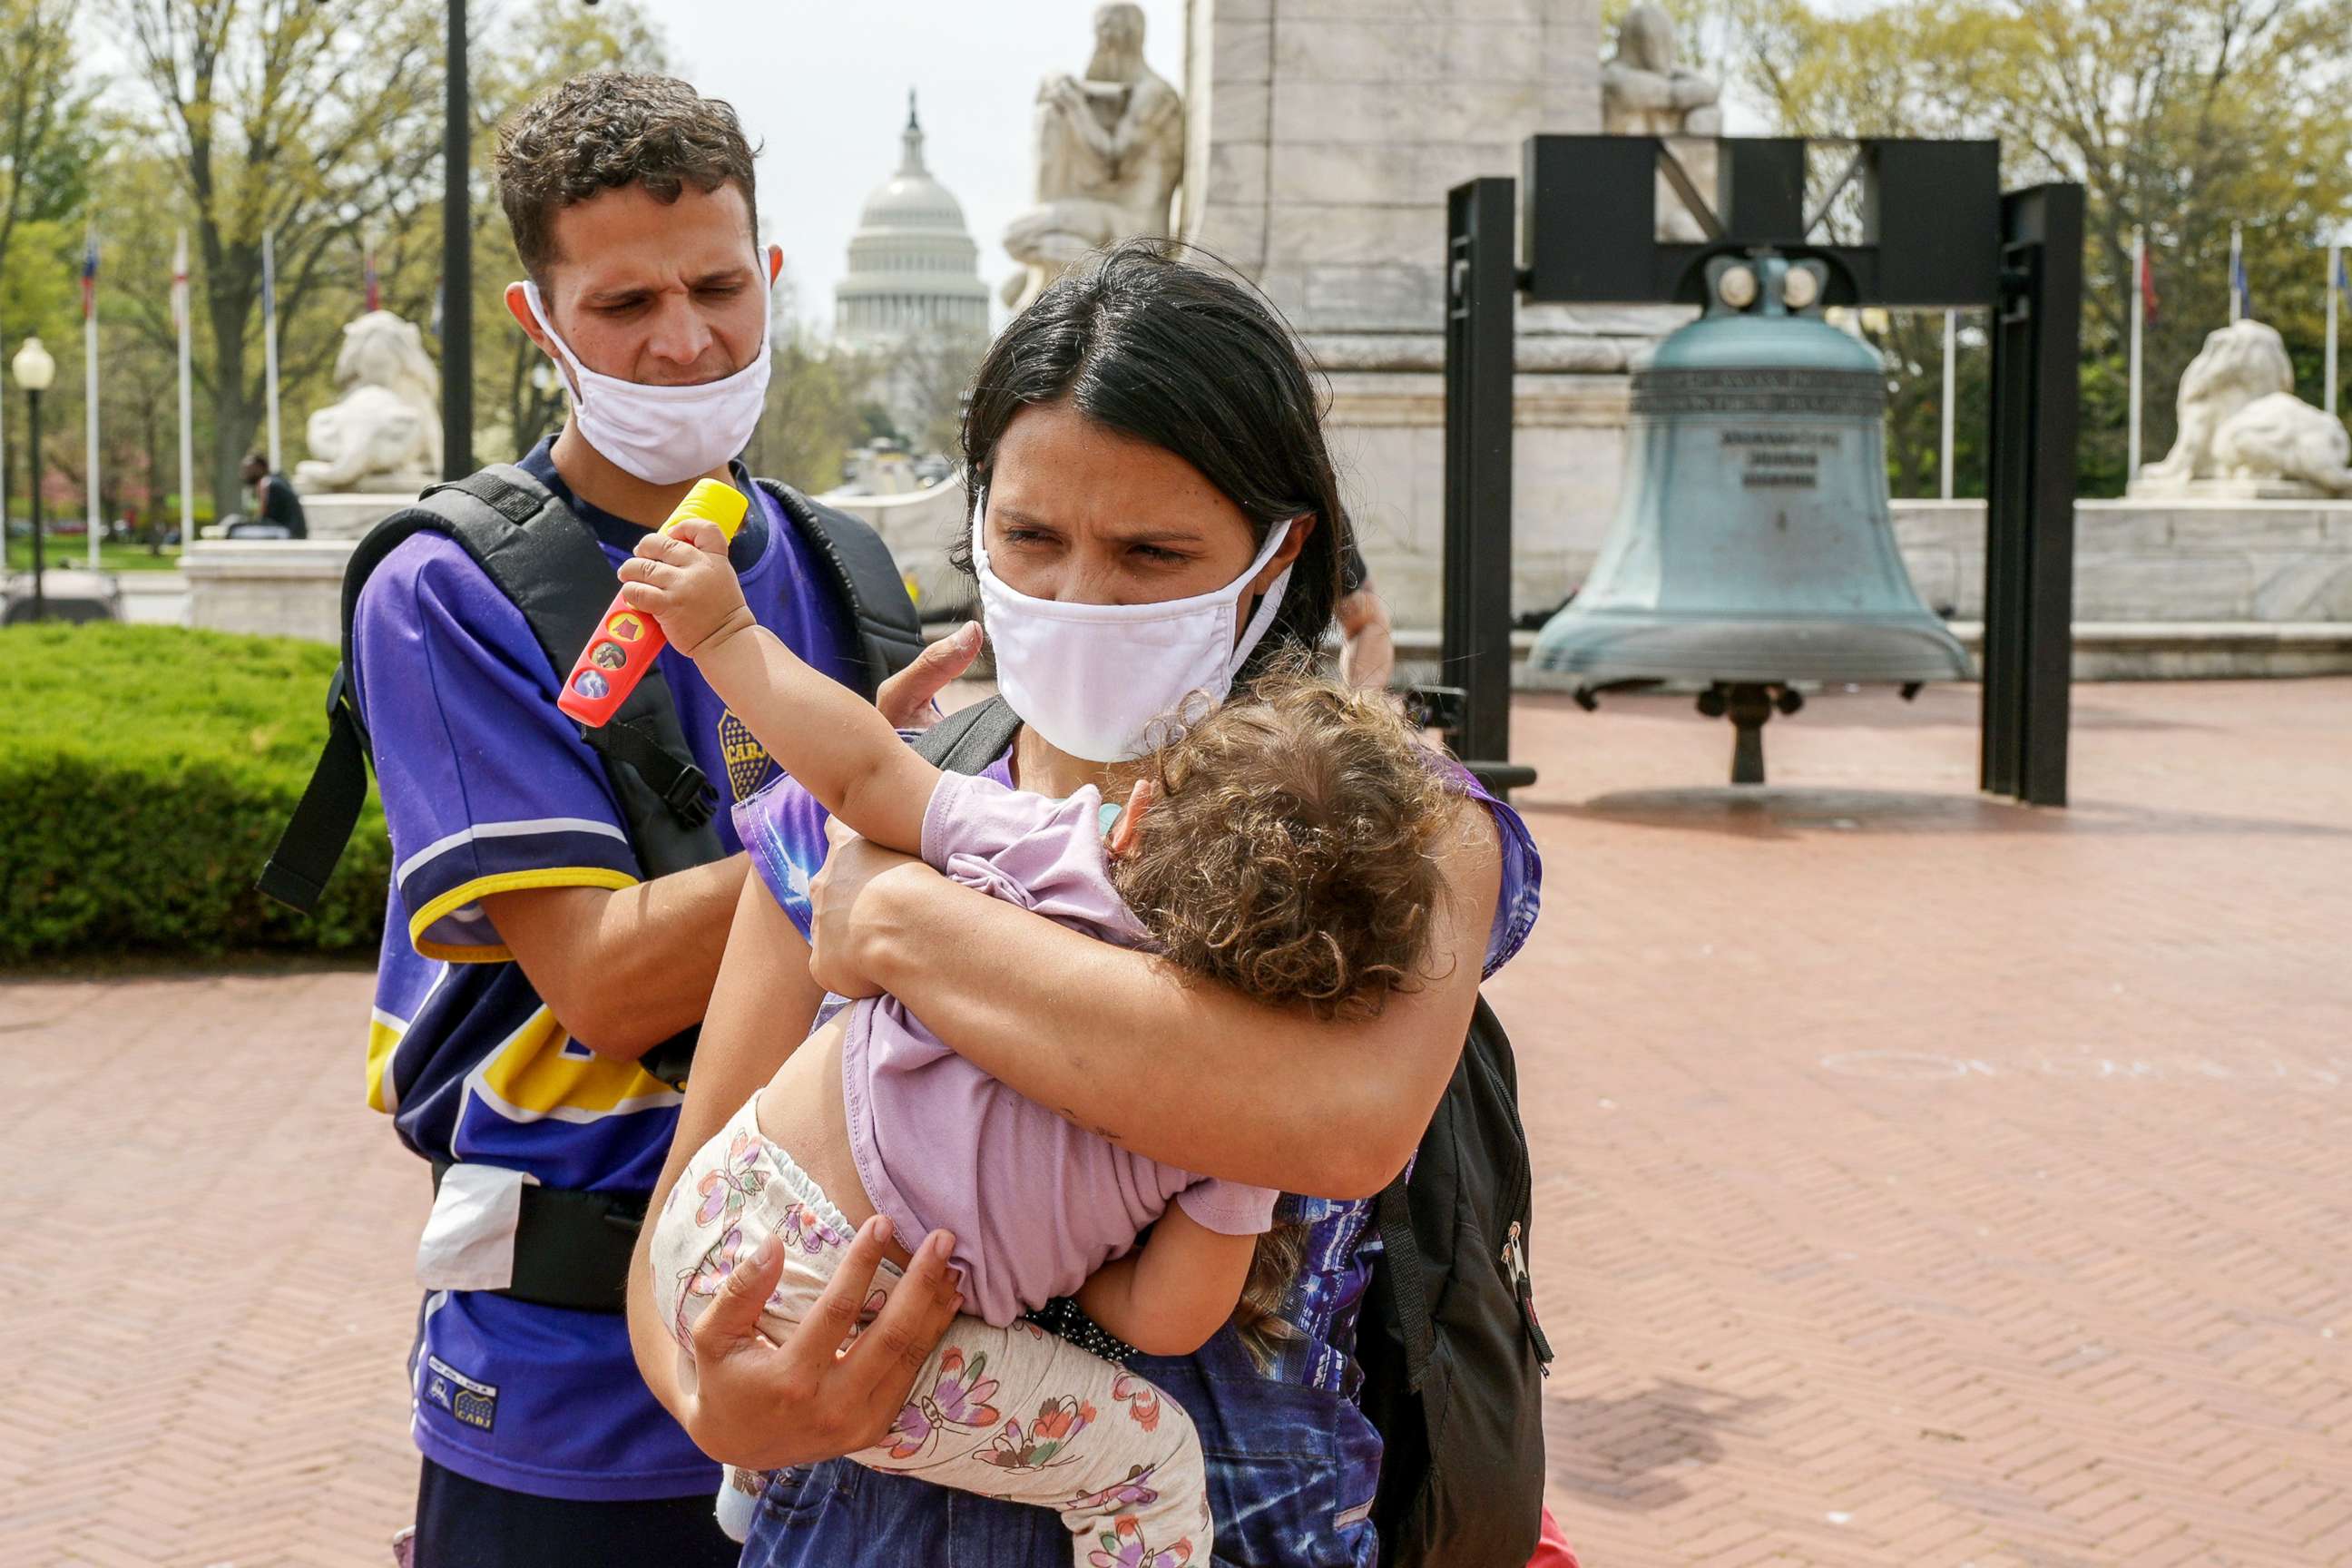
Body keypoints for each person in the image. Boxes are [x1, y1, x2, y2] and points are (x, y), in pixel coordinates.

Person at [622, 241, 1546, 1566]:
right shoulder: (866, 803)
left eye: (1153, 552)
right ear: (978, 517)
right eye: (1031, 538)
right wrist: (720, 1397)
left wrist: (909, 927)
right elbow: (686, 1223)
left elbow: (1339, 1125)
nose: (1077, 597)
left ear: (1277, 554)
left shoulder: (1399, 833)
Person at [350, 73, 967, 1567]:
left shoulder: (844, 565)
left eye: (713, 284)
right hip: (572, 1397)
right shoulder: (448, 592)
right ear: (539, 319)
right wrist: (884, 801)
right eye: (624, 301)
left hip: (862, 1368)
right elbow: (607, 980)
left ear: (768, 276)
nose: (685, 339)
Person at [240, 452, 308, 539]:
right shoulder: (276, 480)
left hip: (288, 533)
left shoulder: (267, 483)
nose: (245, 474)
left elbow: (264, 519)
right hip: (294, 532)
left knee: (234, 531)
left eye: (249, 469)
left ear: (260, 468)